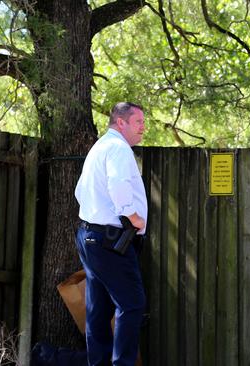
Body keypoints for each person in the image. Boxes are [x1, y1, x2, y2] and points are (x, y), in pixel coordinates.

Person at [74, 102, 148, 366]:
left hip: (91, 237)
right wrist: (133, 215)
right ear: (121, 122)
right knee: (132, 305)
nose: (143, 128)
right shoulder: (118, 148)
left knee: (99, 310)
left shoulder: (101, 147)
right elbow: (118, 185)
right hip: (109, 240)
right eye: (138, 122)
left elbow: (79, 192)